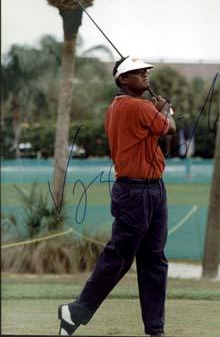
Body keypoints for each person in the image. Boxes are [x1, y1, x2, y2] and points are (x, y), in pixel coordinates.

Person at [58, 56, 176, 337]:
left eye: (146, 70)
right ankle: (76, 311)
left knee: (154, 259)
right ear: (123, 79)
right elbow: (169, 128)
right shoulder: (135, 105)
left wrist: (159, 112)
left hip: (153, 189)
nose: (145, 74)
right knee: (119, 257)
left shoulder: (123, 106)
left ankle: (155, 329)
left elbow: (156, 131)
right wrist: (166, 111)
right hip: (135, 192)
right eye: (137, 72)